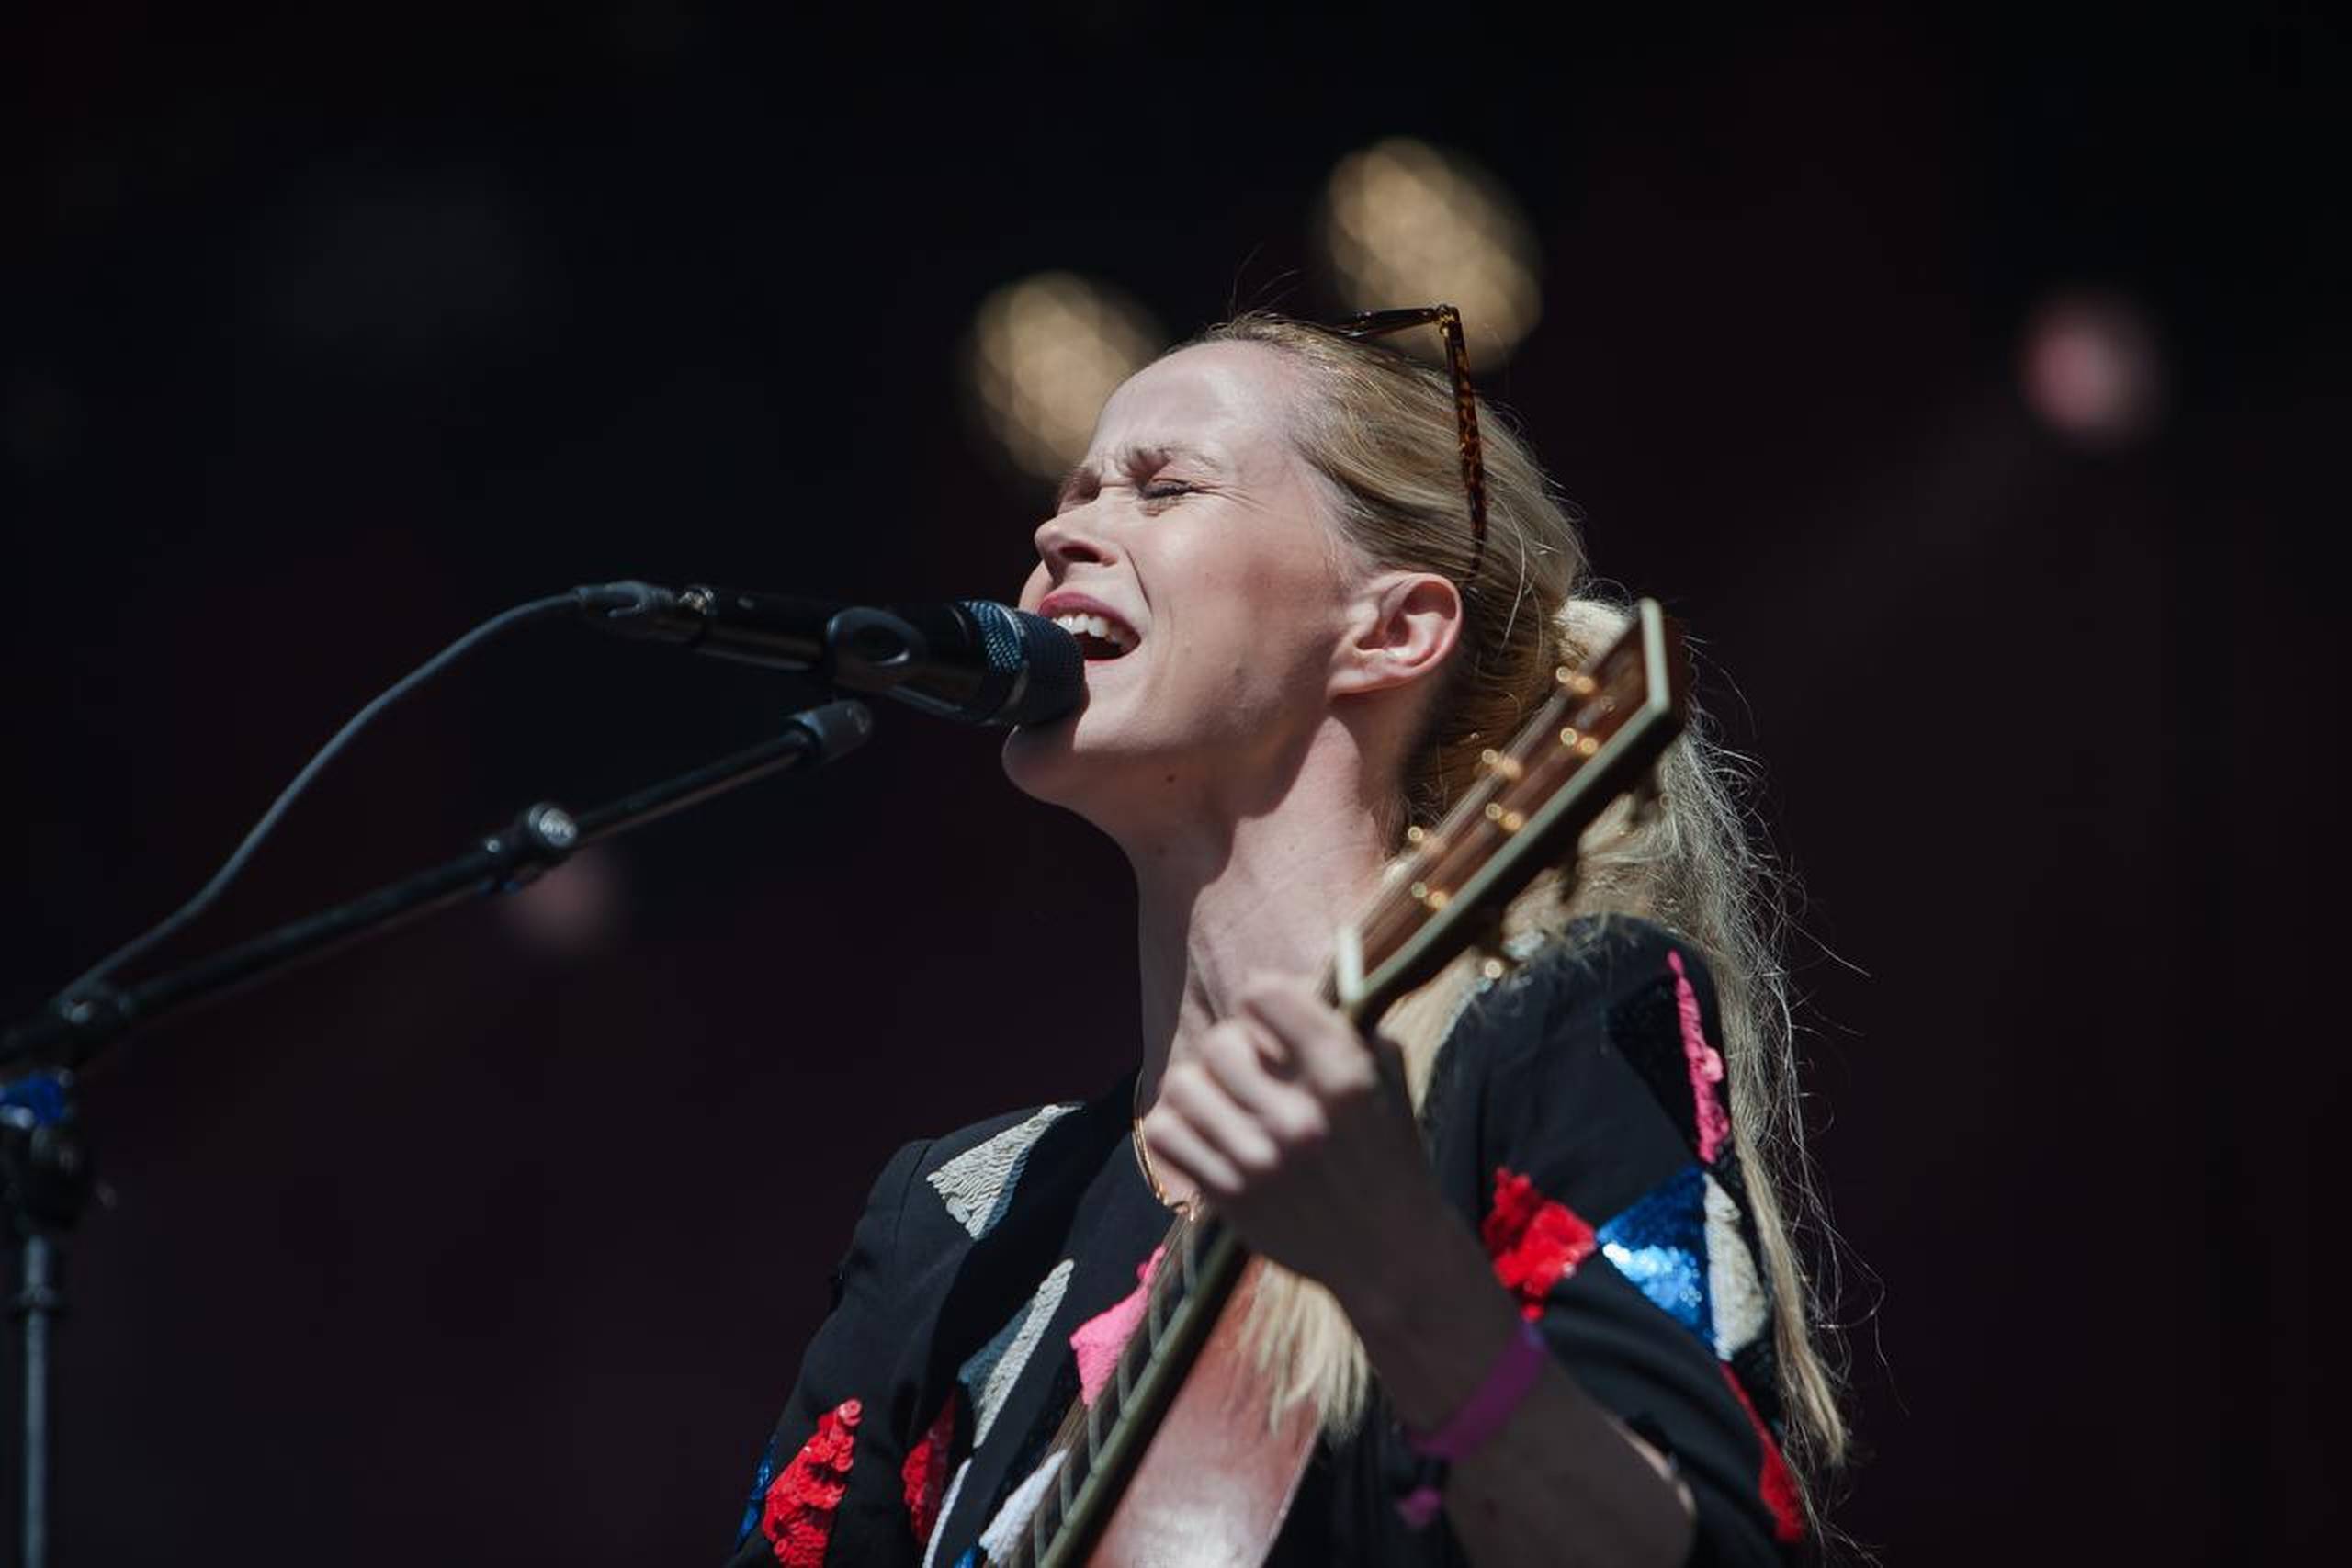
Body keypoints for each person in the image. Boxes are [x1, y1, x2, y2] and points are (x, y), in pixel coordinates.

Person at [725, 310, 1849, 1566]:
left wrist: (1405, 1283)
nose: (1057, 532)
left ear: (1391, 630)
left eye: (1164, 488)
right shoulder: (960, 1220)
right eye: (1076, 489)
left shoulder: (1548, 1037)